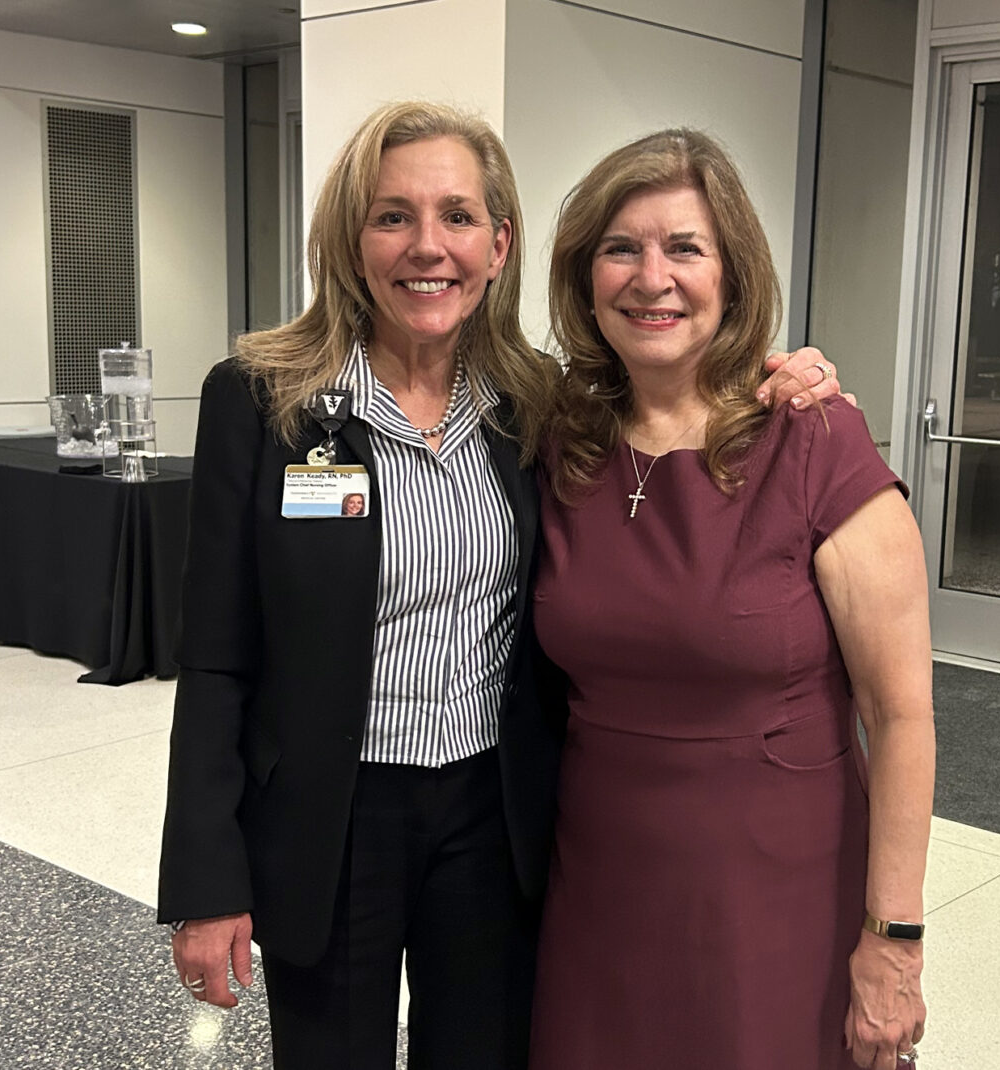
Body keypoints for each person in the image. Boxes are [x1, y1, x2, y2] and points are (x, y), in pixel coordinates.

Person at [156, 101, 845, 1070]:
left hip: (493, 815)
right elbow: (216, 656)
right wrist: (205, 878)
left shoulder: (539, 406)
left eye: (457, 216)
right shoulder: (264, 400)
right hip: (330, 817)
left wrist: (786, 381)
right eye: (392, 216)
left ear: (499, 244)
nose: (426, 247)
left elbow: (679, 407)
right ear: (352, 241)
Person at [529, 129, 934, 1070]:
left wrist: (895, 943)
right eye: (620, 248)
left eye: (686, 248)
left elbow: (901, 714)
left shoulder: (813, 439)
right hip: (598, 890)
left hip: (777, 896)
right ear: (585, 277)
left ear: (733, 274)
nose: (652, 278)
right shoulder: (561, 442)